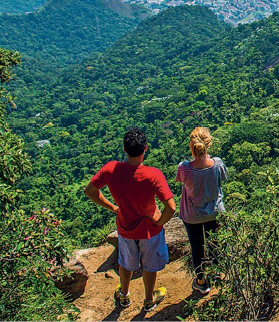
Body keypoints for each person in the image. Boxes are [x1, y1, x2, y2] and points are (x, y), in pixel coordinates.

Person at [84, 127, 176, 311]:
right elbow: (171, 207)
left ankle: (124, 295)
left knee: (126, 263)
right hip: (150, 230)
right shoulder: (153, 175)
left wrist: (112, 207)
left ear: (124, 149)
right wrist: (159, 222)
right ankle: (149, 299)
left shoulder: (111, 169)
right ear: (145, 149)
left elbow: (90, 191)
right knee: (150, 266)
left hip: (125, 227)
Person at [176, 127, 226, 294]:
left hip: (192, 215)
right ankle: (218, 273)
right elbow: (221, 180)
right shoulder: (218, 164)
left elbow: (182, 182)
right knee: (214, 243)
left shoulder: (184, 168)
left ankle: (201, 281)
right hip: (214, 211)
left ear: (192, 146)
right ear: (209, 144)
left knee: (197, 247)